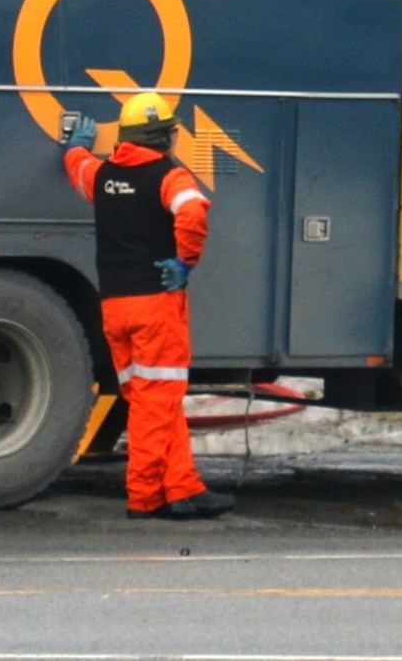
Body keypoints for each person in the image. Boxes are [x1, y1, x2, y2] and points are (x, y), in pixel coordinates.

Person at [60, 92, 235, 520]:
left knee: (152, 397)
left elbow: (79, 170)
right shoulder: (169, 176)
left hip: (115, 307)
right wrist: (184, 260)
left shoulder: (104, 176)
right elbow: (192, 212)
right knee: (156, 400)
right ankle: (143, 496)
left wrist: (75, 148)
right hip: (155, 306)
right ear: (166, 137)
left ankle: (182, 488)